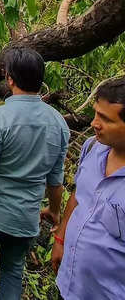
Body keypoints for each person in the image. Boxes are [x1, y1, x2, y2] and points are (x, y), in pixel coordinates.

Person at [0, 47, 69, 300]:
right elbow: (55, 180)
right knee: (12, 270)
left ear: (9, 78)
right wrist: (55, 211)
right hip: (26, 217)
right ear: (40, 80)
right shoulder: (58, 124)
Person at [52, 77, 125, 299]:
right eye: (95, 114)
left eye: (105, 119)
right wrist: (61, 238)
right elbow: (79, 196)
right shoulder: (93, 147)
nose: (94, 123)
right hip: (69, 284)